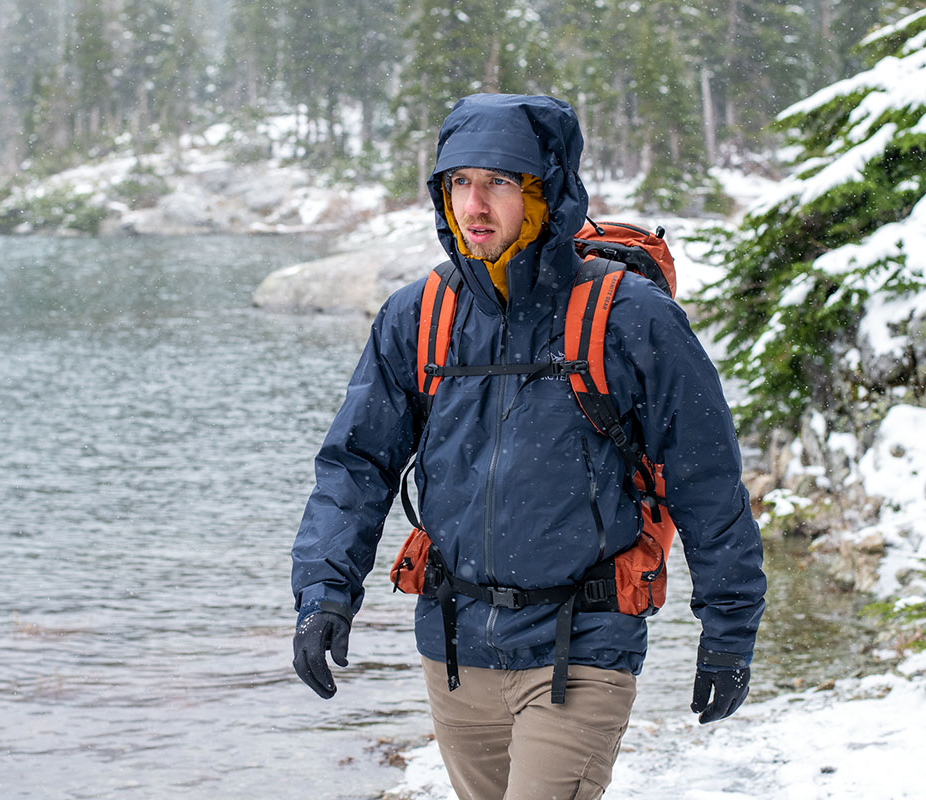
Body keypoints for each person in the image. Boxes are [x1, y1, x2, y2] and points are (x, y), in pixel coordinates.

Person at [290, 93, 766, 800]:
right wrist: (326, 591)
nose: (474, 204)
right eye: (459, 182)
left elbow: (706, 480)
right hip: (454, 649)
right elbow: (356, 466)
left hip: (584, 646)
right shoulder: (417, 316)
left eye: (500, 182)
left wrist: (728, 629)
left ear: (547, 189)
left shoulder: (633, 318)